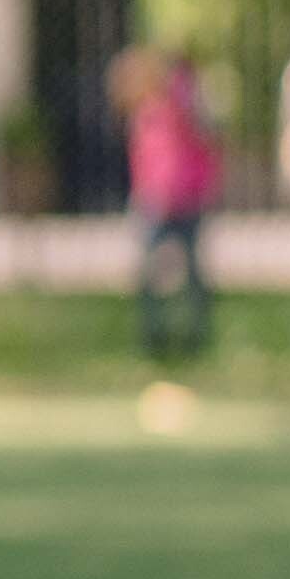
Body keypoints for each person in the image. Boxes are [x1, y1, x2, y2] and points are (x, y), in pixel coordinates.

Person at [112, 45, 220, 359]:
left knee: (193, 274)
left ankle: (195, 336)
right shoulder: (145, 115)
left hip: (186, 200)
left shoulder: (182, 108)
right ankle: (154, 335)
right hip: (155, 202)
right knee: (149, 274)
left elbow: (203, 144)